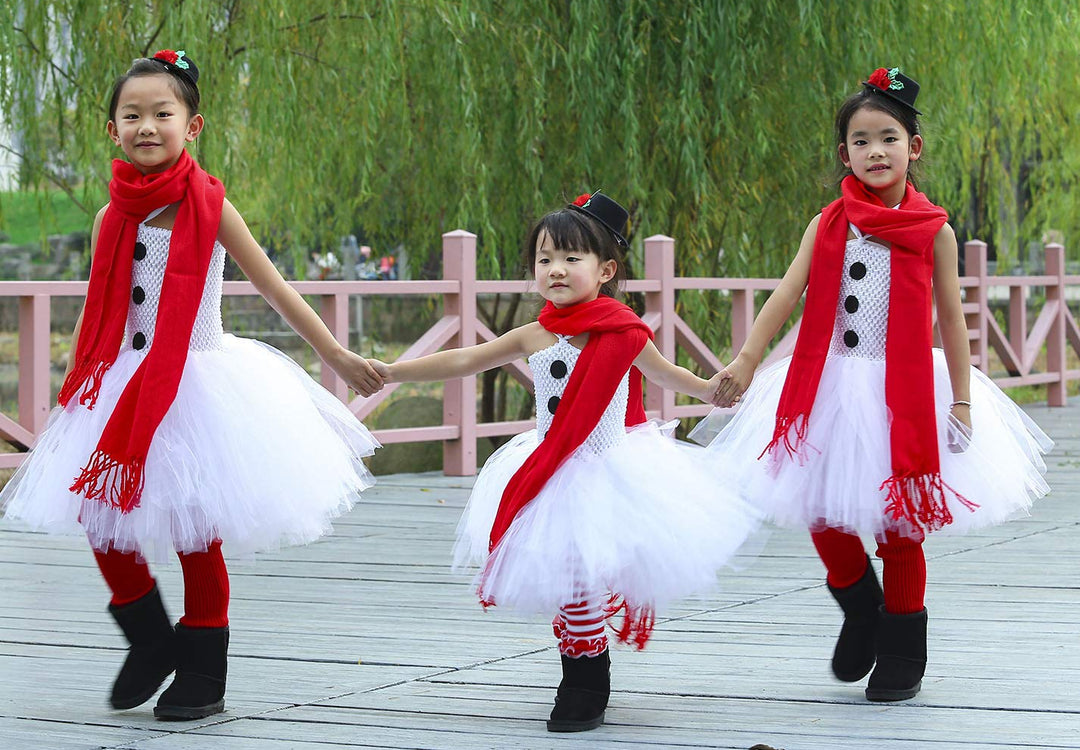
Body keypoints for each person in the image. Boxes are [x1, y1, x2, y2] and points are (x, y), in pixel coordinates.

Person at [0, 50, 384, 720]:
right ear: (112, 129)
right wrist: (81, 373)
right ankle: (149, 639)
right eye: (132, 115)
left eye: (162, 113)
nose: (147, 125)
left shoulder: (210, 209)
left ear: (192, 124)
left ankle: (204, 672)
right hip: (126, 380)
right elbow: (104, 309)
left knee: (192, 527)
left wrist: (335, 352)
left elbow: (275, 287)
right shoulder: (109, 217)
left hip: (196, 380)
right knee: (99, 511)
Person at [694, 68, 1053, 702]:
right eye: (861, 141)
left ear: (913, 147)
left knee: (900, 522)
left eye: (889, 137)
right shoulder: (827, 223)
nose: (875, 151)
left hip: (906, 389)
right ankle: (861, 606)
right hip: (827, 382)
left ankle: (903, 647)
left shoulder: (933, 232)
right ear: (845, 154)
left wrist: (963, 401)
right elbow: (787, 294)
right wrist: (746, 360)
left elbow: (953, 318)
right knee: (820, 508)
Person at [371, 192, 759, 732]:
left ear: (605, 270)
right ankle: (582, 670)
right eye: (545, 258)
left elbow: (670, 375)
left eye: (572, 259)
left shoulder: (624, 332)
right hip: (548, 465)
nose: (555, 269)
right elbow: (464, 359)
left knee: (589, 571)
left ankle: (586, 672)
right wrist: (394, 371)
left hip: (607, 469)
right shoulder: (535, 332)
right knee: (568, 576)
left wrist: (711, 388)